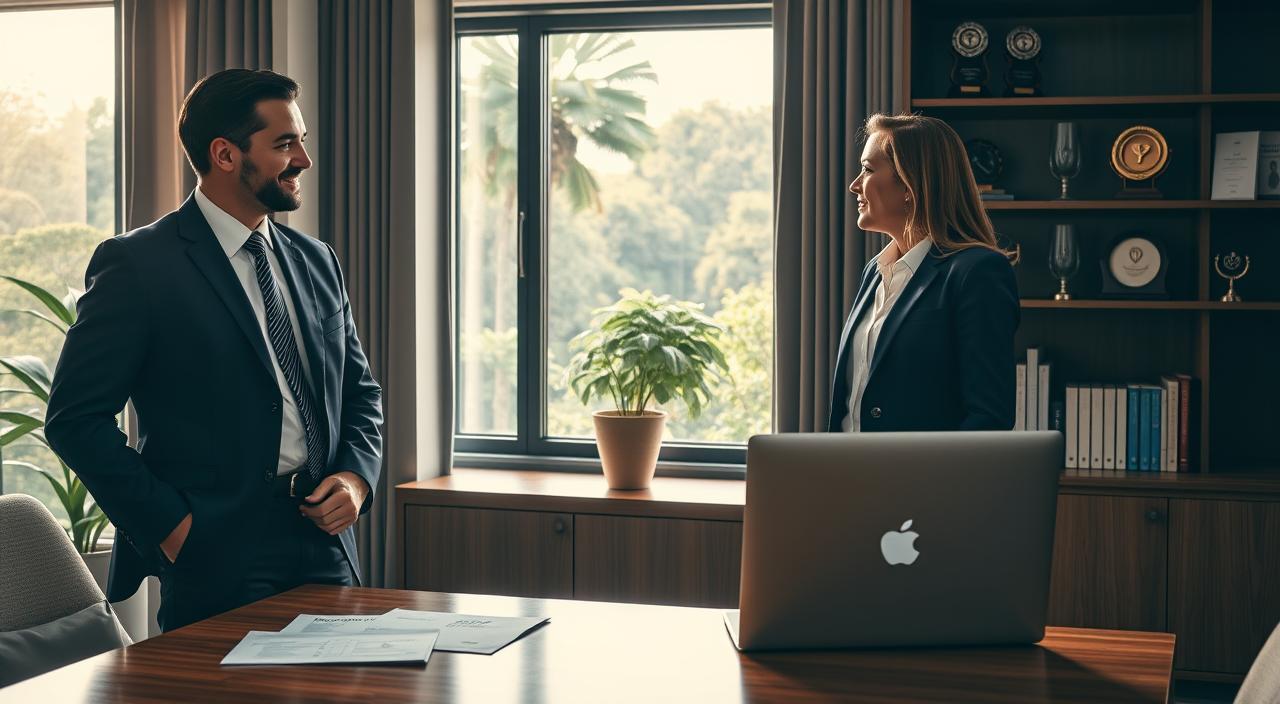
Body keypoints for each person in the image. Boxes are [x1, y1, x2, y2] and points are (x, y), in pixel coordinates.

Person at [45, 69, 383, 631]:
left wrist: (354, 479)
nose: (303, 159)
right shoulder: (138, 266)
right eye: (284, 144)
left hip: (324, 542)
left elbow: (359, 391)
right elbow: (74, 420)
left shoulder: (316, 259)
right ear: (225, 155)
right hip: (214, 550)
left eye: (301, 140)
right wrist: (172, 528)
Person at [827, 113, 1019, 433]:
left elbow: (988, 417)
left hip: (923, 481)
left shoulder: (977, 273)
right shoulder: (874, 272)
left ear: (909, 185)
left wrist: (929, 481)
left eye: (868, 169)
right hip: (848, 475)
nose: (854, 185)